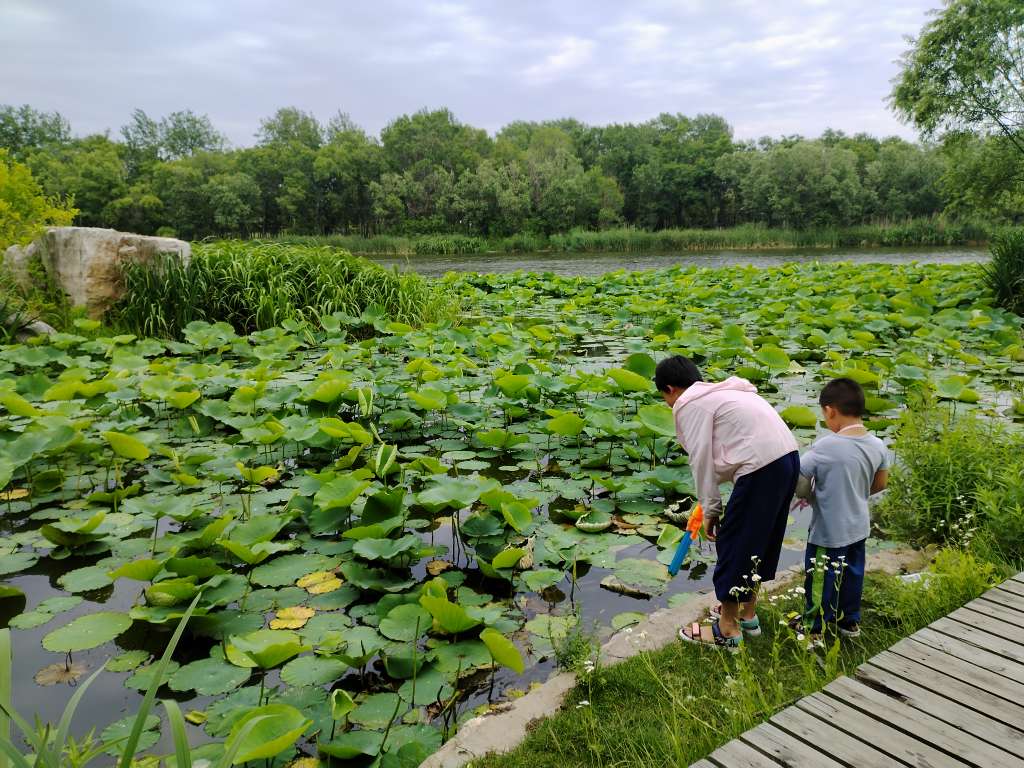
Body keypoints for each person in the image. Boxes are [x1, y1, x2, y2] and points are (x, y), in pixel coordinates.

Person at [655, 355, 799, 650]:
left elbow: (701, 460)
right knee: (760, 542)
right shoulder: (726, 392)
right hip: (788, 459)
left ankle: (727, 630)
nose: (668, 405)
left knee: (734, 543)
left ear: (669, 389)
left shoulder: (689, 403)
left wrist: (711, 509)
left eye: (664, 397)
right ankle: (747, 615)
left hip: (760, 468)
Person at [794, 378, 889, 637]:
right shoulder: (877, 445)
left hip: (829, 531)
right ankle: (849, 622)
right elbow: (881, 483)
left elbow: (800, 481)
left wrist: (810, 495)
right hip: (859, 526)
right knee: (852, 575)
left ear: (830, 411)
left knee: (820, 579)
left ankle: (813, 627)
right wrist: (855, 492)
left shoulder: (826, 445)